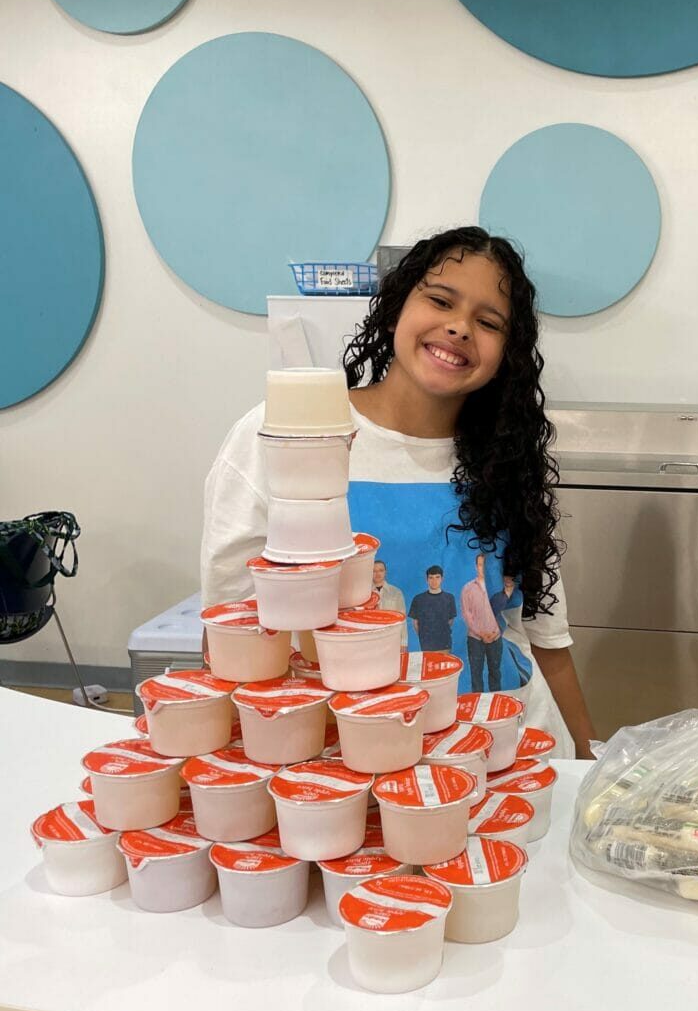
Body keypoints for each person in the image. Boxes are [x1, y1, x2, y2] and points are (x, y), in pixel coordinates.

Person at [201, 226, 596, 758]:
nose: (459, 328)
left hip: (505, 752)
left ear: (509, 352)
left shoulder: (509, 462)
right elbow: (230, 632)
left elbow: (545, 636)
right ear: (396, 305)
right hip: (343, 759)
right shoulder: (285, 432)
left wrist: (588, 763)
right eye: (440, 300)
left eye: (488, 322)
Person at [460, 553, 503, 692]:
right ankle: (477, 706)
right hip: (475, 639)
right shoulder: (468, 588)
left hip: (496, 637)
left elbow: (504, 614)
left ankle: (496, 705)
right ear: (475, 566)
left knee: (495, 673)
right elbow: (467, 614)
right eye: (480, 564)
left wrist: (495, 632)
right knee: (476, 675)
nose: (482, 568)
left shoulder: (499, 588)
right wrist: (481, 633)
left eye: (485, 565)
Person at [408, 564, 456, 651]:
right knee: (428, 664)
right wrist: (425, 636)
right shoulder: (418, 599)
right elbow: (415, 623)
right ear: (427, 580)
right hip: (426, 644)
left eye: (437, 577)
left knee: (443, 664)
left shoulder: (449, 598)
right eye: (431, 578)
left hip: (444, 643)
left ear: (442, 579)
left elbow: (450, 621)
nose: (434, 581)